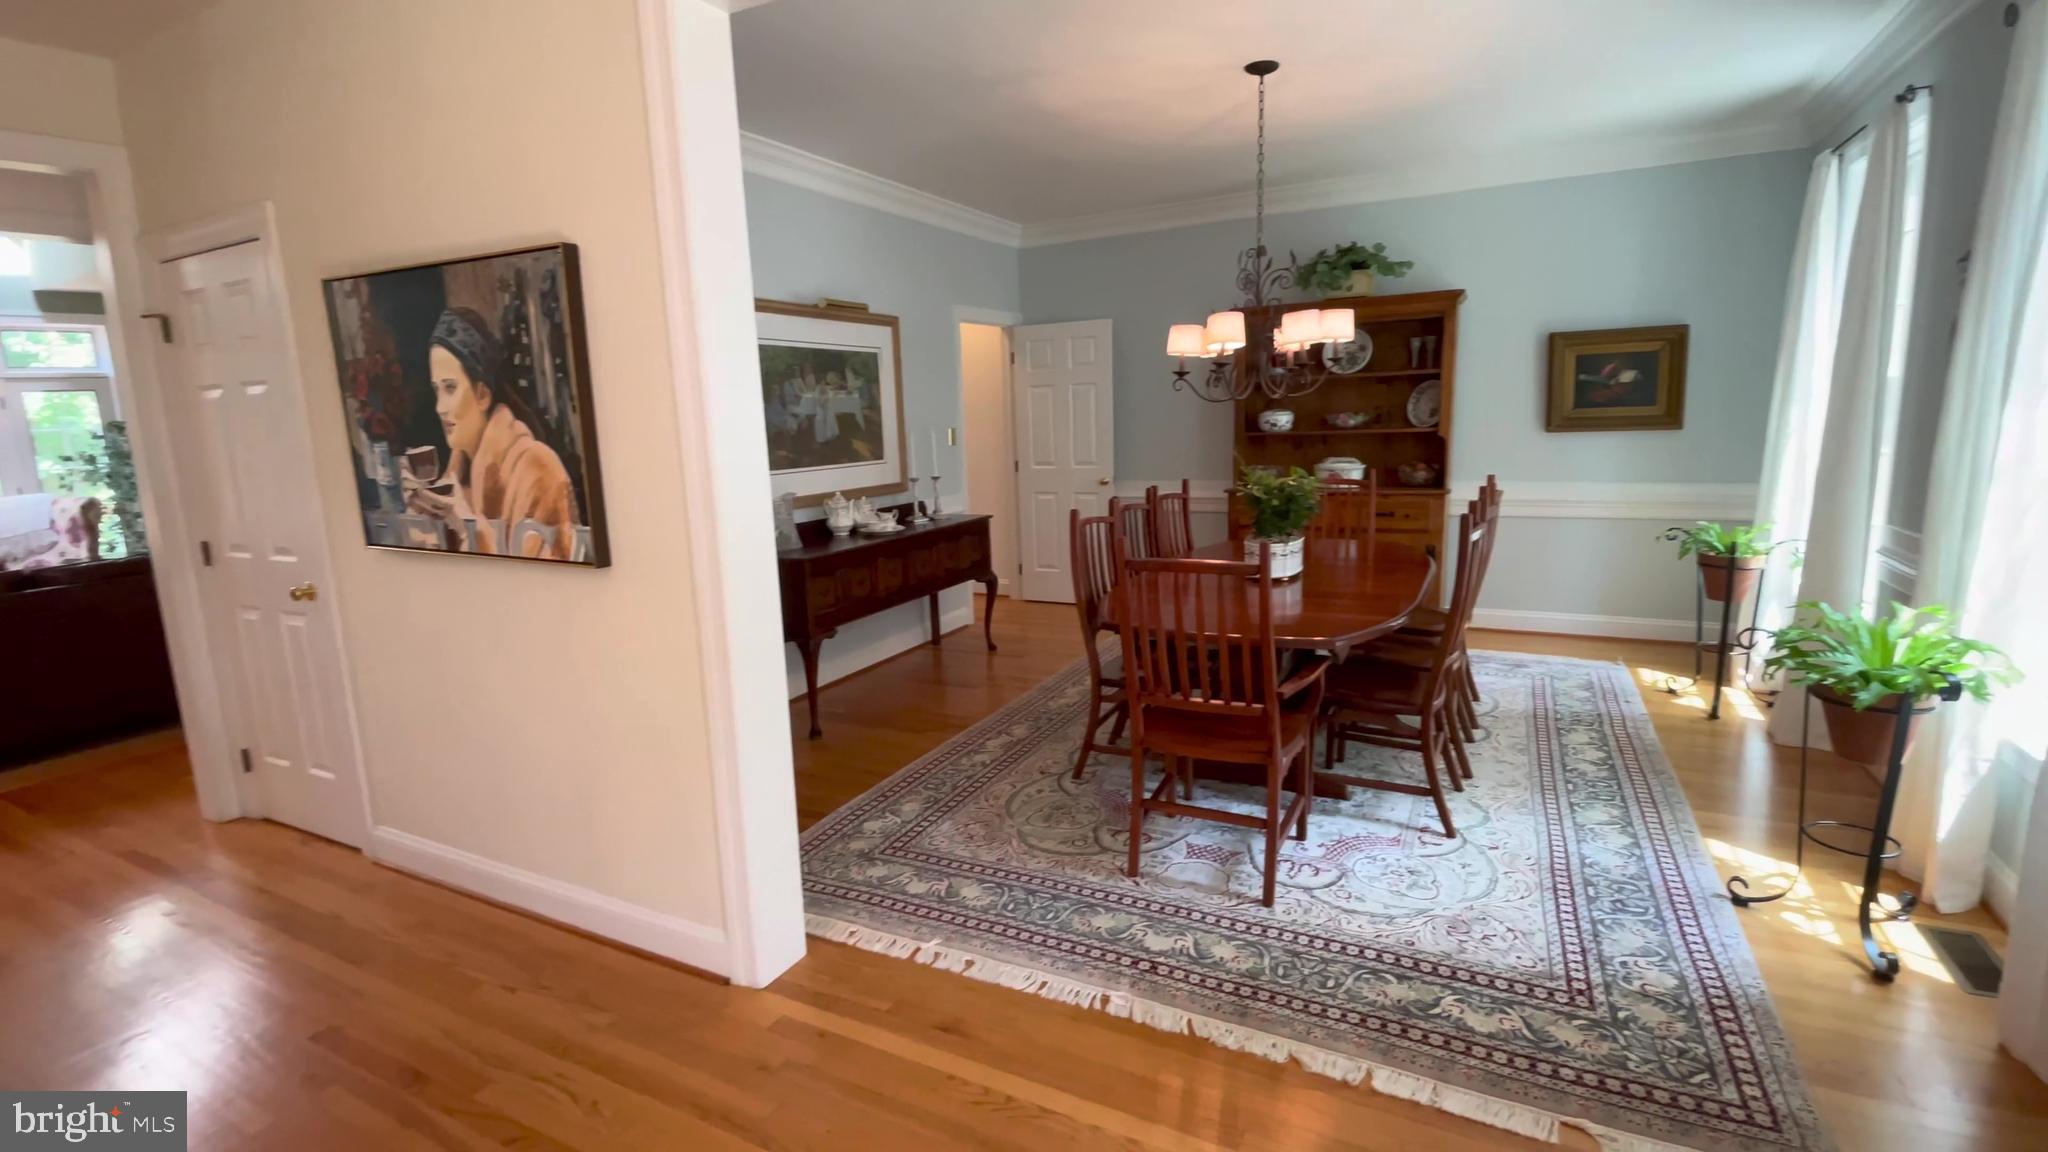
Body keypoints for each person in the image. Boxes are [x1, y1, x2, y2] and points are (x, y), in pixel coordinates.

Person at [403, 307, 578, 560]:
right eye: (436, 390)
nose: (439, 408)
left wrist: (469, 528)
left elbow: (548, 583)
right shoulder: (454, 478)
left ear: (482, 394)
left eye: (450, 388)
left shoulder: (539, 469)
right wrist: (420, 523)